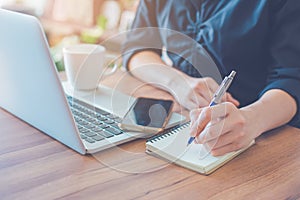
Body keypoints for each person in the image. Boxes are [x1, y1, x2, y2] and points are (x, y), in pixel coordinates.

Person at [122, 0, 300, 156]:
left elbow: (292, 79)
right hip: (183, 118)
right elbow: (137, 49)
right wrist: (179, 83)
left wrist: (253, 119)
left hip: (261, 131)